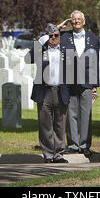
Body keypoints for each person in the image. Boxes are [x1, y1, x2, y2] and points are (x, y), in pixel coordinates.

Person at [25, 23, 70, 163]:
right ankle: (48, 154)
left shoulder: (67, 51)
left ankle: (59, 154)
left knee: (60, 124)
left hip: (61, 91)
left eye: (56, 35)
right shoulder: (41, 50)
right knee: (45, 125)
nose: (53, 38)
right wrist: (41, 40)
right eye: (50, 36)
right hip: (45, 92)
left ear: (60, 36)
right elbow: (27, 58)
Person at [57, 10, 99, 156]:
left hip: (87, 82)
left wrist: (95, 85)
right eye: (73, 19)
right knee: (71, 115)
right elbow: (48, 36)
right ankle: (73, 145)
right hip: (70, 82)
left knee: (86, 114)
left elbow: (95, 62)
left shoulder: (93, 39)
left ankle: (85, 145)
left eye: (78, 19)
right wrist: (61, 26)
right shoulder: (64, 37)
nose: (76, 21)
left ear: (84, 21)